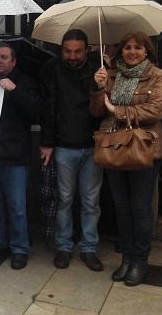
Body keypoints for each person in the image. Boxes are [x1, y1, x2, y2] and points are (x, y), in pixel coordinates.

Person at [92, 31, 162, 286]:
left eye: (137, 47)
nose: (132, 52)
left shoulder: (158, 75)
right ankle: (126, 257)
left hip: (143, 148)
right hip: (114, 146)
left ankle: (140, 261)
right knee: (121, 207)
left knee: (140, 207)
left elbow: (156, 110)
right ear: (120, 51)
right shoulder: (111, 75)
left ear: (146, 51)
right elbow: (95, 111)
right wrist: (99, 87)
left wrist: (118, 110)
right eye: (127, 48)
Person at [39, 29, 104, 272]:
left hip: (92, 145)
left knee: (91, 202)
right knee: (64, 200)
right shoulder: (51, 69)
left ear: (87, 50)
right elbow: (48, 109)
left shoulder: (99, 70)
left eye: (78, 51)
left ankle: (89, 247)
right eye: (68, 51)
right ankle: (64, 246)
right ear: (62, 49)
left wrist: (101, 85)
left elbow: (104, 109)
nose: (73, 56)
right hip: (64, 145)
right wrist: (47, 142)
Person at [0, 43, 43, 269]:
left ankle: (20, 248)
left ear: (13, 61)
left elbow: (36, 110)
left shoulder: (23, 81)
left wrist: (15, 90)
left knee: (16, 206)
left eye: (3, 57)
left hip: (15, 156)